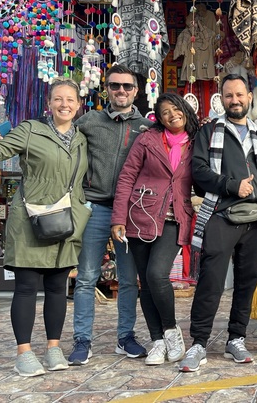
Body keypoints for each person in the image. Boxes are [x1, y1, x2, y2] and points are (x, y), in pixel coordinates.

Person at [0, 80, 89, 376]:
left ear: (78, 104)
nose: (64, 104)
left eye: (70, 99)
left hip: (66, 222)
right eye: (58, 99)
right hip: (32, 221)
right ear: (49, 103)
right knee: (25, 288)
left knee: (57, 289)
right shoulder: (30, 130)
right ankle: (24, 352)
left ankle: (53, 348)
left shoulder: (81, 139)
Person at [179, 74, 257, 372]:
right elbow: (199, 172)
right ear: (222, 98)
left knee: (247, 282)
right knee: (212, 281)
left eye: (240, 94)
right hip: (221, 213)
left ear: (249, 97)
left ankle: (236, 337)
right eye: (229, 95)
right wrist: (233, 186)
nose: (235, 100)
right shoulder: (210, 131)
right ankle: (198, 343)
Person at [70, 64, 150, 365]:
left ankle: (125, 337)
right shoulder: (89, 121)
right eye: (115, 86)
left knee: (130, 279)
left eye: (127, 86)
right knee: (87, 276)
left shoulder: (146, 127)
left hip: (129, 212)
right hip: (95, 207)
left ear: (136, 91)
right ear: (107, 89)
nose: (121, 91)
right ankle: (82, 340)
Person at [110, 93, 197, 366]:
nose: (172, 115)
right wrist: (118, 218)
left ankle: (171, 331)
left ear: (184, 109)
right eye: (165, 112)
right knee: (145, 282)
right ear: (158, 118)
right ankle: (157, 340)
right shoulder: (146, 140)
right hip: (140, 215)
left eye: (176, 109)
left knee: (157, 274)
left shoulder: (197, 142)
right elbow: (126, 177)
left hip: (174, 218)